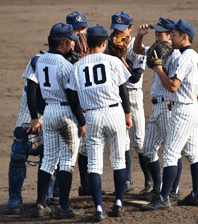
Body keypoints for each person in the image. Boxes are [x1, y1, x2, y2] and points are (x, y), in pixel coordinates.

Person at [66, 24, 132, 222]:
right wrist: (128, 114)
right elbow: (123, 91)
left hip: (92, 116)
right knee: (119, 159)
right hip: (114, 113)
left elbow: (71, 97)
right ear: (104, 43)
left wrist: (81, 120)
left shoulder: (78, 66)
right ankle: (119, 203)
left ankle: (99, 208)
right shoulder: (113, 61)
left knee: (94, 164)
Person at [141, 19, 198, 211]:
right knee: (193, 153)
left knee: (170, 154)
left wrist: (159, 68)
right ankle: (196, 194)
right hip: (194, 107)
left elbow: (172, 86)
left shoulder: (185, 58)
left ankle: (163, 198)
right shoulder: (197, 57)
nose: (172, 37)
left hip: (184, 110)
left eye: (175, 35)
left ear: (184, 37)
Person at [31, 23, 85, 219]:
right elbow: (72, 97)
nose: (73, 43)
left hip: (49, 111)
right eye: (71, 41)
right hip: (65, 114)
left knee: (48, 160)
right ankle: (63, 207)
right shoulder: (66, 66)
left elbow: (33, 88)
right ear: (63, 43)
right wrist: (82, 121)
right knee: (67, 161)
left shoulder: (40, 60)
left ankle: (40, 204)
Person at [133, 18, 182, 201]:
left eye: (161, 34)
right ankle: (159, 186)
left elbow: (173, 84)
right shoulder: (156, 48)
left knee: (172, 150)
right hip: (156, 107)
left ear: (171, 36)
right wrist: (140, 35)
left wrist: (159, 66)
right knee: (148, 150)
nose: (157, 36)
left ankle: (173, 191)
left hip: (168, 106)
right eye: (156, 33)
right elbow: (137, 50)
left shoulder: (176, 56)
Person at [109, 11, 149, 194]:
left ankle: (150, 182)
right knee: (122, 142)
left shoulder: (138, 47)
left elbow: (134, 78)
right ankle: (126, 182)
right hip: (115, 96)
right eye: (116, 30)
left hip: (132, 95)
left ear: (130, 28)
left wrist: (122, 59)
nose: (118, 34)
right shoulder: (110, 44)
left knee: (139, 141)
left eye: (122, 30)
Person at [6, 51, 46, 214]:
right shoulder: (38, 59)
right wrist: (34, 117)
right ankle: (14, 196)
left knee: (51, 154)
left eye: (81, 30)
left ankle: (47, 197)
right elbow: (31, 90)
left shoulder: (80, 61)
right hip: (31, 108)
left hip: (56, 109)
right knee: (19, 151)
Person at [66, 11, 92, 196]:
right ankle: (58, 193)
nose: (80, 33)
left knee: (86, 149)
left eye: (82, 28)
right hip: (67, 110)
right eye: (75, 31)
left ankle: (87, 186)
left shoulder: (95, 51)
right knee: (66, 153)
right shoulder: (63, 56)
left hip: (89, 108)